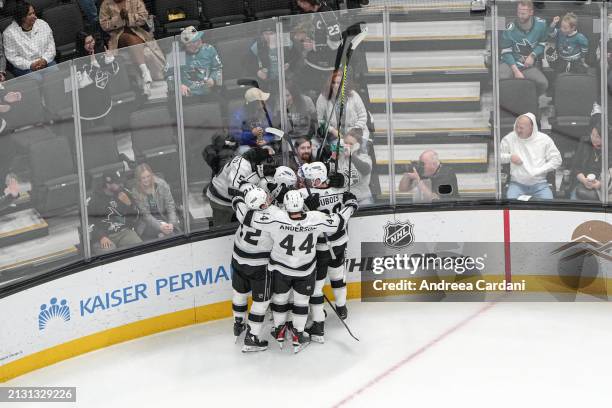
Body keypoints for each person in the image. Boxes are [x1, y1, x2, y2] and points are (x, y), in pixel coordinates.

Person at [232, 189, 358, 353]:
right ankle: (298, 334)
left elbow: (246, 217)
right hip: (304, 270)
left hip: (280, 268)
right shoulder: (315, 218)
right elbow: (339, 222)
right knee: (301, 302)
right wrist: (350, 205)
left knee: (280, 300)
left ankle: (279, 330)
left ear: (285, 206)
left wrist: (237, 199)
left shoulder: (276, 217)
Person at [298, 162, 352, 343]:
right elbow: (351, 200)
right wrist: (343, 181)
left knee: (316, 287)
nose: (306, 181)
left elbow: (290, 211)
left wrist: (306, 208)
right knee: (338, 275)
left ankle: (318, 325)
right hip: (340, 241)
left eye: (310, 179)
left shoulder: (306, 194)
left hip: (320, 246)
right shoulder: (339, 188)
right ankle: (342, 308)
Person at [231, 186, 274, 352]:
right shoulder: (273, 218)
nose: (269, 200)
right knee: (261, 302)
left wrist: (241, 195)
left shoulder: (244, 212)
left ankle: (238, 324)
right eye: (266, 199)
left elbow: (237, 201)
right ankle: (252, 338)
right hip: (259, 266)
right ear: (262, 205)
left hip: (238, 259)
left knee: (239, 293)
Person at [99, 0, 165, 95]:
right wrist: (119, 18)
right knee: (129, 37)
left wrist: (128, 16)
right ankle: (145, 71)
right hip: (118, 36)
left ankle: (144, 75)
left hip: (138, 32)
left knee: (134, 41)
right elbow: (104, 25)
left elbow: (144, 17)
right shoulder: (106, 4)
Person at [205, 147, 274, 227]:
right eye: (264, 163)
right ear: (256, 161)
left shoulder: (248, 160)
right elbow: (233, 190)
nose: (265, 165)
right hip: (220, 199)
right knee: (220, 228)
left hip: (226, 196)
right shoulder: (242, 167)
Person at [500, 113, 562, 200]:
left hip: (540, 185)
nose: (518, 130)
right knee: (511, 206)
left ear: (531, 128)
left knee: (548, 208)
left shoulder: (544, 139)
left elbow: (557, 160)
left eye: (521, 128)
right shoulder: (509, 138)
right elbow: (498, 157)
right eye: (517, 126)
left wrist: (539, 170)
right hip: (517, 184)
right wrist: (509, 157)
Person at [499, 0, 549, 95]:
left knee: (543, 83)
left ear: (531, 12)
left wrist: (532, 56)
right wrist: (516, 71)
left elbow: (542, 43)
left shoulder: (541, 24)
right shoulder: (510, 28)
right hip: (510, 63)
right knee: (501, 79)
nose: (520, 16)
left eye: (523, 13)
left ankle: (531, 101)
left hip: (527, 65)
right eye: (518, 12)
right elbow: (506, 52)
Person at [88, 170, 142, 254]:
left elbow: (137, 218)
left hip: (124, 232)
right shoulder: (94, 200)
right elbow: (87, 223)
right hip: (104, 235)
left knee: (140, 246)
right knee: (110, 253)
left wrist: (130, 205)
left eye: (121, 182)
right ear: (107, 184)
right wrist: (101, 237)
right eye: (117, 183)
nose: (121, 185)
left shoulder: (125, 193)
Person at [294, 0, 342, 95]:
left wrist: (314, 46)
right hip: (313, 62)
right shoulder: (312, 13)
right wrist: (306, 37)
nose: (299, 4)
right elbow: (319, 35)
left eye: (302, 2)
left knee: (324, 95)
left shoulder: (326, 14)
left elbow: (336, 42)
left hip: (326, 67)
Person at [74, 31, 120, 126]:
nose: (91, 44)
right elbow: (82, 83)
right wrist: (94, 66)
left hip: (103, 96)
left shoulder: (100, 52)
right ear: (81, 45)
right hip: (89, 99)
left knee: (107, 125)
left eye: (92, 40)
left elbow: (113, 72)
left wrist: (109, 62)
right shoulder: (77, 60)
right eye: (87, 43)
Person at [316, 70, 369, 149]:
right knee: (338, 152)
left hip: (355, 132)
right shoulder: (322, 98)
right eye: (333, 83)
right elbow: (320, 120)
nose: (336, 85)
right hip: (334, 135)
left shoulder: (353, 95)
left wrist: (353, 131)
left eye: (339, 83)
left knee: (356, 151)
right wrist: (332, 130)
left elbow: (363, 116)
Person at [166, 26, 222, 100]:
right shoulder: (176, 54)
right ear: (187, 44)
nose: (200, 41)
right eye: (196, 40)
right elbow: (168, 75)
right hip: (186, 94)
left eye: (199, 38)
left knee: (222, 101)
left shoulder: (209, 49)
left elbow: (218, 68)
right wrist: (179, 86)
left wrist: (213, 79)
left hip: (208, 91)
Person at [2, 0, 56, 77]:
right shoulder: (9, 34)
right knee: (37, 79)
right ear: (22, 17)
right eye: (30, 14)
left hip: (45, 61)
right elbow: (13, 57)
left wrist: (44, 60)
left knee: (55, 73)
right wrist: (30, 65)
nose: (35, 16)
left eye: (34, 13)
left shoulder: (42, 24)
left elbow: (51, 47)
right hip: (24, 67)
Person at [131, 163, 180, 240]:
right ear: (139, 179)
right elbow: (145, 215)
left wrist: (171, 223)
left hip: (165, 217)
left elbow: (170, 205)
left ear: (151, 175)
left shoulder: (162, 184)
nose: (146, 179)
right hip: (147, 224)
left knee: (172, 235)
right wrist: (160, 227)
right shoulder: (135, 191)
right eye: (143, 178)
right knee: (160, 237)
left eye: (148, 176)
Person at [250, 28, 302, 93]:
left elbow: (297, 56)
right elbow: (248, 61)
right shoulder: (258, 45)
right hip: (268, 82)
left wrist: (289, 64)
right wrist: (257, 71)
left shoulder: (285, 41)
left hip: (286, 79)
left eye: (271, 33)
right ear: (262, 35)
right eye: (266, 33)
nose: (269, 36)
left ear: (277, 34)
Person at [569, 109, 603, 201]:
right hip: (582, 183)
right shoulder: (585, 143)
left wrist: (600, 184)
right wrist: (584, 180)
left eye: (598, 137)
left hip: (605, 187)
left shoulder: (609, 149)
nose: (594, 139)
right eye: (592, 135)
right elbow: (575, 167)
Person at [230, 87, 276, 152]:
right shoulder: (238, 115)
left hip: (263, 145)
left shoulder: (267, 111)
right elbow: (235, 135)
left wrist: (265, 140)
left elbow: (272, 131)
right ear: (254, 103)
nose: (265, 101)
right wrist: (251, 134)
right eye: (261, 100)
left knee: (270, 152)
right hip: (245, 146)